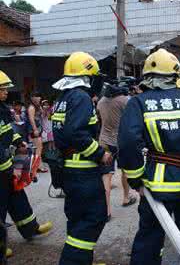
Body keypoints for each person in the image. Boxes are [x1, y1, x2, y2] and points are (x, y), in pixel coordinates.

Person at [118, 48, 180, 265]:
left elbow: (128, 143)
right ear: (174, 76)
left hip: (158, 186)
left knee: (149, 240)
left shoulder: (139, 102)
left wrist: (135, 179)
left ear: (147, 77)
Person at [52, 51, 112, 265]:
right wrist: (101, 153)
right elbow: (76, 134)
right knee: (94, 218)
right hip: (83, 172)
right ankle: (72, 261)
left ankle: (83, 260)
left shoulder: (63, 98)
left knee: (77, 219)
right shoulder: (80, 97)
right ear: (88, 77)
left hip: (69, 171)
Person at [0, 70, 53, 261]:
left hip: (6, 168)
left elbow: (7, 132)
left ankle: (31, 229)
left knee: (18, 199)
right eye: (2, 89)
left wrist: (18, 142)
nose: (6, 92)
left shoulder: (2, 110)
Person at [97, 82, 137, 222]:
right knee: (125, 171)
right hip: (121, 142)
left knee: (106, 176)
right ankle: (126, 197)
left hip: (104, 141)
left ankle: (106, 210)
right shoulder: (125, 100)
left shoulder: (101, 101)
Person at [25, 92, 47, 173]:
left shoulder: (38, 107)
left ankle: (37, 166)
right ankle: (37, 167)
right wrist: (35, 129)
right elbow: (31, 119)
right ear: (32, 98)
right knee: (38, 149)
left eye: (39, 96)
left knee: (39, 149)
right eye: (36, 96)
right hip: (34, 130)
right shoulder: (31, 107)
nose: (38, 98)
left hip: (38, 129)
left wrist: (43, 108)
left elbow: (44, 115)